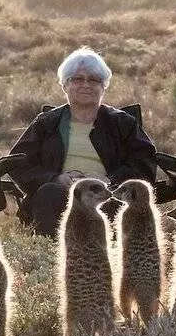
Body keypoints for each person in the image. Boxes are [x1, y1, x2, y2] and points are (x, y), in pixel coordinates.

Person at [9, 47, 157, 238]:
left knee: (117, 201)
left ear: (103, 86)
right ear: (65, 85)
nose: (86, 85)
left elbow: (145, 163)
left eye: (93, 80)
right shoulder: (46, 123)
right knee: (48, 193)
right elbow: (18, 163)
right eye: (78, 79)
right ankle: (50, 252)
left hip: (109, 194)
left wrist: (110, 180)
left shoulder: (123, 123)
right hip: (60, 194)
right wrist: (55, 178)